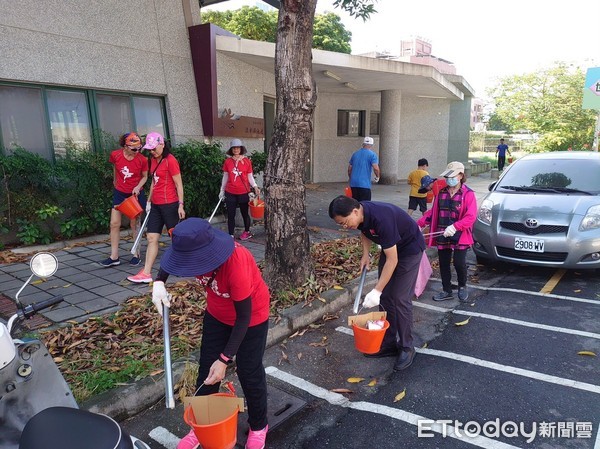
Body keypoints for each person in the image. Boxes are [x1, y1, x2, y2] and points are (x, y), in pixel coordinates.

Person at [151, 218, 270, 449]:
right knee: (207, 369)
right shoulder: (189, 247)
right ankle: (202, 425)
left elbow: (243, 318)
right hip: (217, 314)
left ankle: (259, 425)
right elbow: (171, 260)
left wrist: (225, 360)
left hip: (251, 316)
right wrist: (159, 282)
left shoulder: (236, 262)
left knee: (249, 369)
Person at [328, 195, 424, 371]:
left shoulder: (381, 218)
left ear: (355, 211)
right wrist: (366, 254)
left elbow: (393, 261)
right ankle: (388, 343)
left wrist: (376, 290)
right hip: (391, 249)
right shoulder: (361, 215)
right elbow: (364, 231)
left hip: (409, 250)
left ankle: (406, 347)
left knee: (400, 298)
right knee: (386, 298)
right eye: (340, 224)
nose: (345, 226)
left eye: (344, 222)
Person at [128, 132, 185, 283]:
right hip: (155, 205)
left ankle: (183, 265)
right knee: (152, 237)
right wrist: (148, 201)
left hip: (170, 204)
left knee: (176, 238)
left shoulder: (170, 161)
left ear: (162, 144)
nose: (152, 151)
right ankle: (146, 273)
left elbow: (179, 184)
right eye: (150, 149)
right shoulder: (153, 160)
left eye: (154, 148)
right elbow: (154, 181)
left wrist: (181, 205)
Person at [417, 162, 477, 302]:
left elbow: (471, 216)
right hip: (442, 232)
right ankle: (446, 290)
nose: (449, 179)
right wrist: (418, 224)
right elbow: (433, 212)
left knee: (459, 263)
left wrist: (456, 227)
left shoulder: (468, 194)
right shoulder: (442, 193)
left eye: (452, 176)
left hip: (460, 234)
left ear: (461, 176)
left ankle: (462, 286)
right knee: (444, 263)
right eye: (447, 176)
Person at [100, 132, 148, 267]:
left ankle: (136, 253)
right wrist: (115, 181)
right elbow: (115, 167)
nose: (137, 151)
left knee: (134, 224)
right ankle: (114, 256)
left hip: (135, 194)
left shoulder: (142, 159)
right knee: (114, 223)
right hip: (120, 192)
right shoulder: (115, 155)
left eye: (139, 148)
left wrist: (138, 186)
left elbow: (144, 176)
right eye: (134, 149)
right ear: (125, 146)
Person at [219, 138, 260, 240]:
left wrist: (255, 186)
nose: (236, 150)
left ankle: (247, 231)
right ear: (231, 150)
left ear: (241, 149)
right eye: (234, 148)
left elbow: (250, 176)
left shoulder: (247, 161)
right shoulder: (228, 161)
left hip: (243, 192)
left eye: (238, 148)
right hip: (230, 192)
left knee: (244, 213)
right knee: (231, 214)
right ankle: (230, 235)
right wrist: (222, 190)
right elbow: (225, 176)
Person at [348, 136, 380, 202]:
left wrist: (350, 178)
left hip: (353, 184)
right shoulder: (372, 155)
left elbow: (349, 169)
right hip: (364, 184)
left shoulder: (355, 154)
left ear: (363, 144)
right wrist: (377, 176)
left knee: (354, 204)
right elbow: (376, 168)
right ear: (371, 145)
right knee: (365, 205)